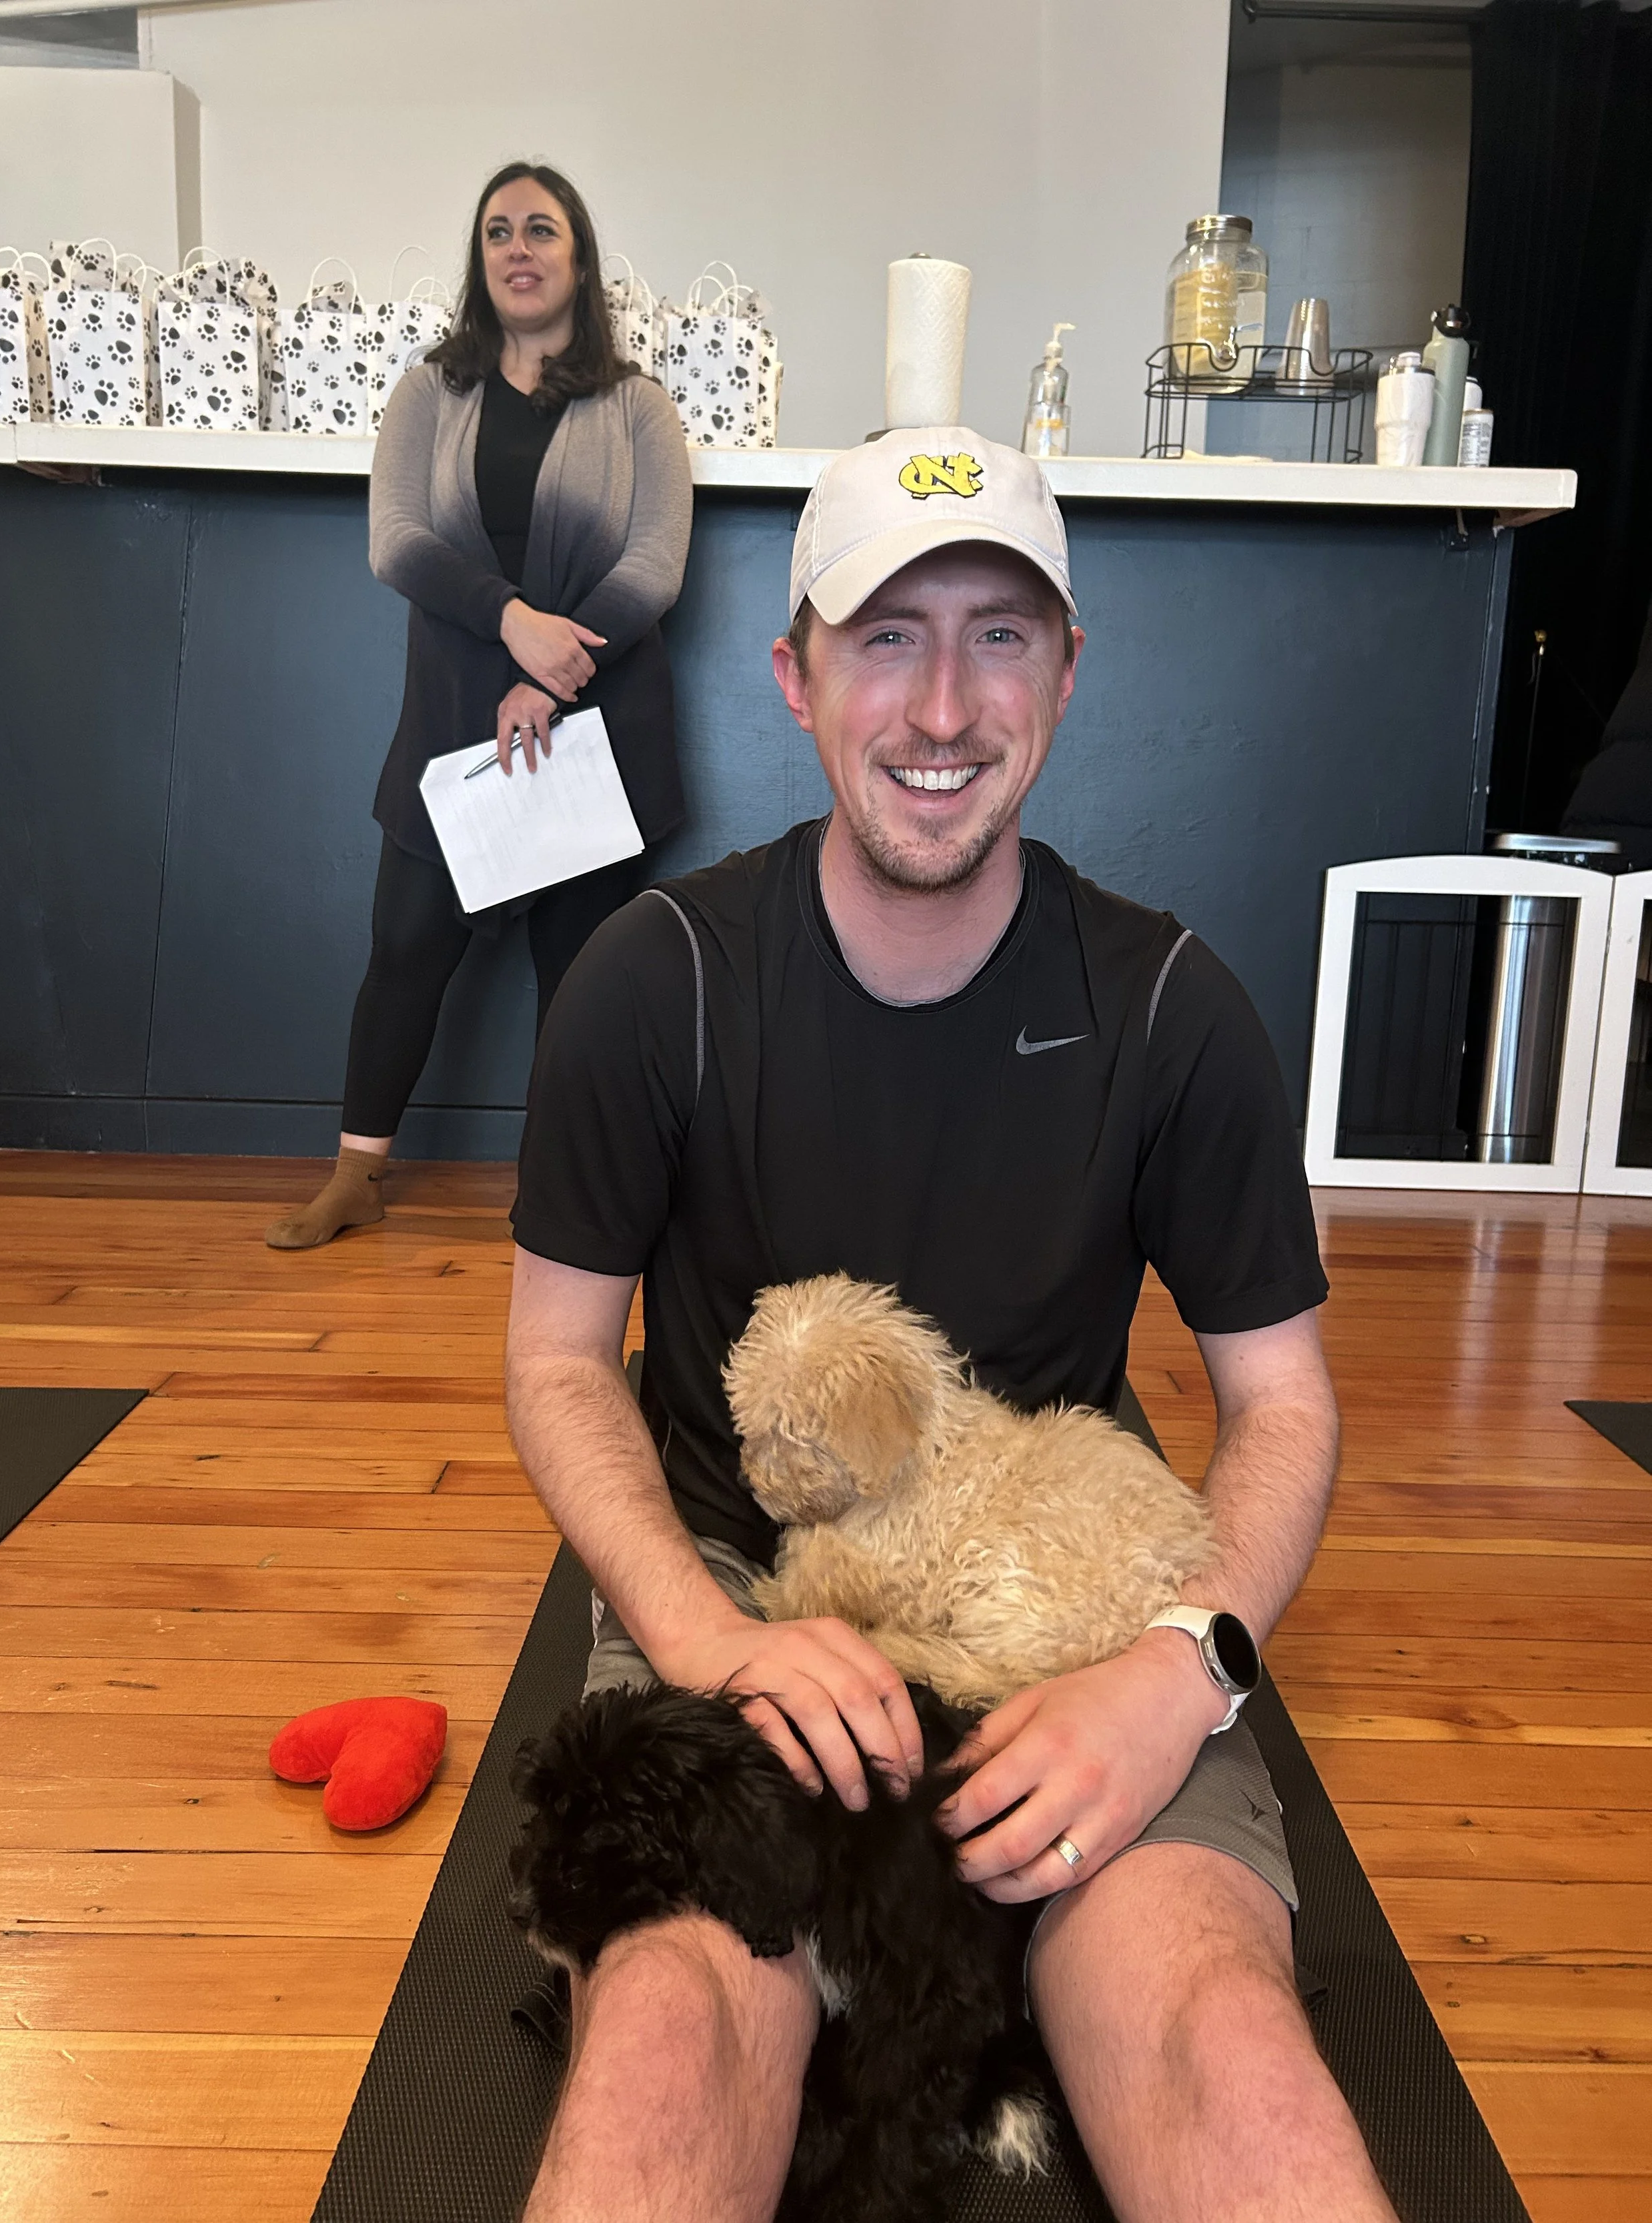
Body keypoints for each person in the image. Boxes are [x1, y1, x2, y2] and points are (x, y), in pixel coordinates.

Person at [504, 428, 1397, 2221]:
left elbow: (1282, 1405)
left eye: (998, 634)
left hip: (1061, 1620)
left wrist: (1179, 1666)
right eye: (884, 635)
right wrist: (699, 1631)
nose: (940, 701)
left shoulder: (1168, 1003)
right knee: (667, 2034)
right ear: (795, 674)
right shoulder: (655, 980)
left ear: (1067, 674)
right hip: (746, 1602)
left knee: (1227, 2037)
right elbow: (550, 1362)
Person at [266, 161, 691, 1250]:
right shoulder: (429, 393)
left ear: (579, 259)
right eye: (499, 231)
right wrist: (514, 626)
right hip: (456, 712)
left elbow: (654, 570)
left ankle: (557, 1190)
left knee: (581, 974)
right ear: (481, 258)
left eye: (542, 230)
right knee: (405, 947)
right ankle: (357, 1173)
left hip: (594, 726)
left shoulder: (639, 406)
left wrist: (550, 673)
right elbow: (396, 541)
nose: (519, 248)